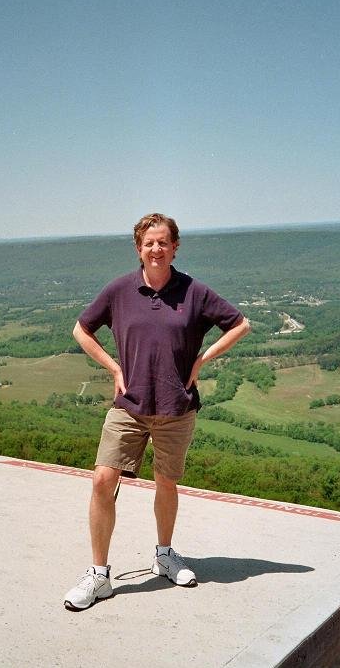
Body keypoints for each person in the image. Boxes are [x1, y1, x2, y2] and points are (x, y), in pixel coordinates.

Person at [64, 213, 250, 611]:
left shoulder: (194, 292)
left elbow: (240, 324)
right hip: (129, 407)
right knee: (102, 480)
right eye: (149, 243)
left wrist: (201, 362)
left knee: (166, 483)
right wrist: (114, 368)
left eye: (164, 242)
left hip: (176, 407)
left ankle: (164, 555)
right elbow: (82, 329)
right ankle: (99, 576)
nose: (156, 249)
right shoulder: (119, 291)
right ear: (138, 248)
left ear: (175, 246)